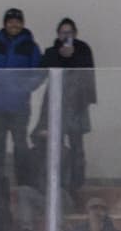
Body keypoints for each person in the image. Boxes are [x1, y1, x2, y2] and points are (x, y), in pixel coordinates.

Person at [0, 8, 43, 186]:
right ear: (5, 23)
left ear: (23, 23)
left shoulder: (31, 47)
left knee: (20, 145)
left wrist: (24, 88)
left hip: (19, 106)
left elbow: (39, 72)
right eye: (11, 20)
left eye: (18, 21)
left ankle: (23, 183)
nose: (14, 24)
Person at [37, 18, 96, 201]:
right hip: (56, 108)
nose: (66, 35)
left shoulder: (84, 50)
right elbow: (41, 74)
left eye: (69, 32)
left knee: (77, 149)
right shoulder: (51, 52)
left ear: (75, 33)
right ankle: (59, 185)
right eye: (63, 32)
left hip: (77, 107)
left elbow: (89, 77)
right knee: (57, 149)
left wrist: (86, 101)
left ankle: (76, 185)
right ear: (58, 34)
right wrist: (60, 55)